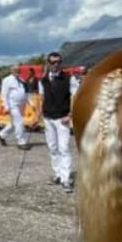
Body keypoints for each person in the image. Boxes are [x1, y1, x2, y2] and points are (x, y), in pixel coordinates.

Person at [39, 52, 80, 193]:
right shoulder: (43, 79)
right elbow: (42, 98)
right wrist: (39, 115)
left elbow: (78, 97)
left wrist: (70, 114)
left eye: (58, 62)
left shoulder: (69, 78)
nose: (56, 64)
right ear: (48, 63)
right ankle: (57, 174)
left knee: (64, 148)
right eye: (52, 62)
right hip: (48, 117)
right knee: (52, 147)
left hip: (62, 118)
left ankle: (66, 178)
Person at [0, 64, 31, 149]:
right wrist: (6, 106)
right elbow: (4, 95)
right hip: (12, 105)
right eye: (15, 70)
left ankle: (1, 135)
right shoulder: (7, 80)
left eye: (18, 70)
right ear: (11, 70)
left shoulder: (22, 80)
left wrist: (31, 103)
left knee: (13, 124)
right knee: (19, 122)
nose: (17, 71)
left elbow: (26, 94)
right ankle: (21, 142)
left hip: (21, 105)